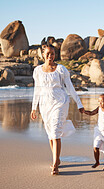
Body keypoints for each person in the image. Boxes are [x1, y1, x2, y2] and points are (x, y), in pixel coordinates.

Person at [30, 43, 85, 175]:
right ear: (43, 54)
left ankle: (55, 164)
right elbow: (37, 90)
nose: (50, 56)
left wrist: (79, 103)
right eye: (47, 53)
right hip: (45, 104)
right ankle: (57, 158)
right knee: (50, 133)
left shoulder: (61, 69)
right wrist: (34, 108)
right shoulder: (37, 71)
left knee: (55, 131)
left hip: (60, 102)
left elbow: (70, 88)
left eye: (52, 54)